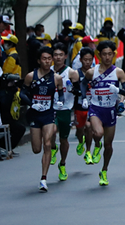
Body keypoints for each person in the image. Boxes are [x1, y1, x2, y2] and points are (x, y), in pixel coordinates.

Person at [84, 41, 125, 186]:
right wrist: (85, 98)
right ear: (99, 55)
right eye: (104, 54)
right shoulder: (92, 72)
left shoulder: (118, 72)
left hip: (110, 111)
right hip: (96, 108)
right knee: (98, 133)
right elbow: (83, 84)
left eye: (110, 54)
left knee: (108, 145)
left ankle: (104, 170)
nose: (107, 57)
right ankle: (97, 145)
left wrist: (119, 94)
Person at [23, 46, 64, 192]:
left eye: (49, 58)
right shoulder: (30, 76)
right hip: (35, 115)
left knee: (47, 144)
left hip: (48, 114)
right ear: (39, 60)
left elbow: (61, 94)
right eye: (44, 59)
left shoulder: (56, 78)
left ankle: (43, 178)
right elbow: (22, 94)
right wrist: (32, 103)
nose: (47, 61)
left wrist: (60, 102)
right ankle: (50, 148)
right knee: (36, 148)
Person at [49, 43, 81, 182]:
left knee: (64, 139)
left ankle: (62, 163)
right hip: (50, 108)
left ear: (65, 56)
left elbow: (80, 91)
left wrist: (73, 90)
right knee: (50, 131)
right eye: (55, 55)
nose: (58, 58)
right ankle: (52, 147)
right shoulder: (47, 71)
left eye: (61, 55)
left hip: (66, 109)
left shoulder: (71, 73)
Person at [73, 47, 97, 164]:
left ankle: (88, 152)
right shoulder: (76, 74)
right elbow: (72, 89)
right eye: (85, 60)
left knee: (89, 127)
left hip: (92, 105)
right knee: (79, 130)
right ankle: (80, 141)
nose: (87, 62)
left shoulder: (95, 73)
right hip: (79, 105)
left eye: (90, 60)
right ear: (81, 60)